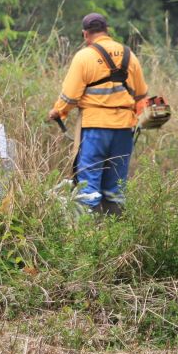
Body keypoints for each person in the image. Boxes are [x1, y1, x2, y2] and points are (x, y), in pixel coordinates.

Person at [47, 12, 148, 216]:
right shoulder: (129, 55)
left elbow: (70, 96)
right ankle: (115, 235)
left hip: (95, 130)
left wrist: (58, 112)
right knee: (116, 186)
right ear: (107, 30)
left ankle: (88, 235)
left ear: (85, 35)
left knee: (89, 184)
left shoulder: (84, 57)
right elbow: (142, 97)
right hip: (123, 131)